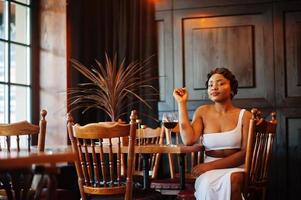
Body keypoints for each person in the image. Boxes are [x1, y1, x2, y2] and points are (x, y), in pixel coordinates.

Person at [173, 68, 252, 200]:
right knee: (207, 184)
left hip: (236, 167)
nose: (214, 87)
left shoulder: (245, 115)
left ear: (232, 88)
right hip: (209, 171)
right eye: (210, 85)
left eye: (220, 83)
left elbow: (245, 153)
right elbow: (188, 140)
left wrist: (210, 166)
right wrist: (181, 103)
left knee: (233, 179)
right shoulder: (202, 112)